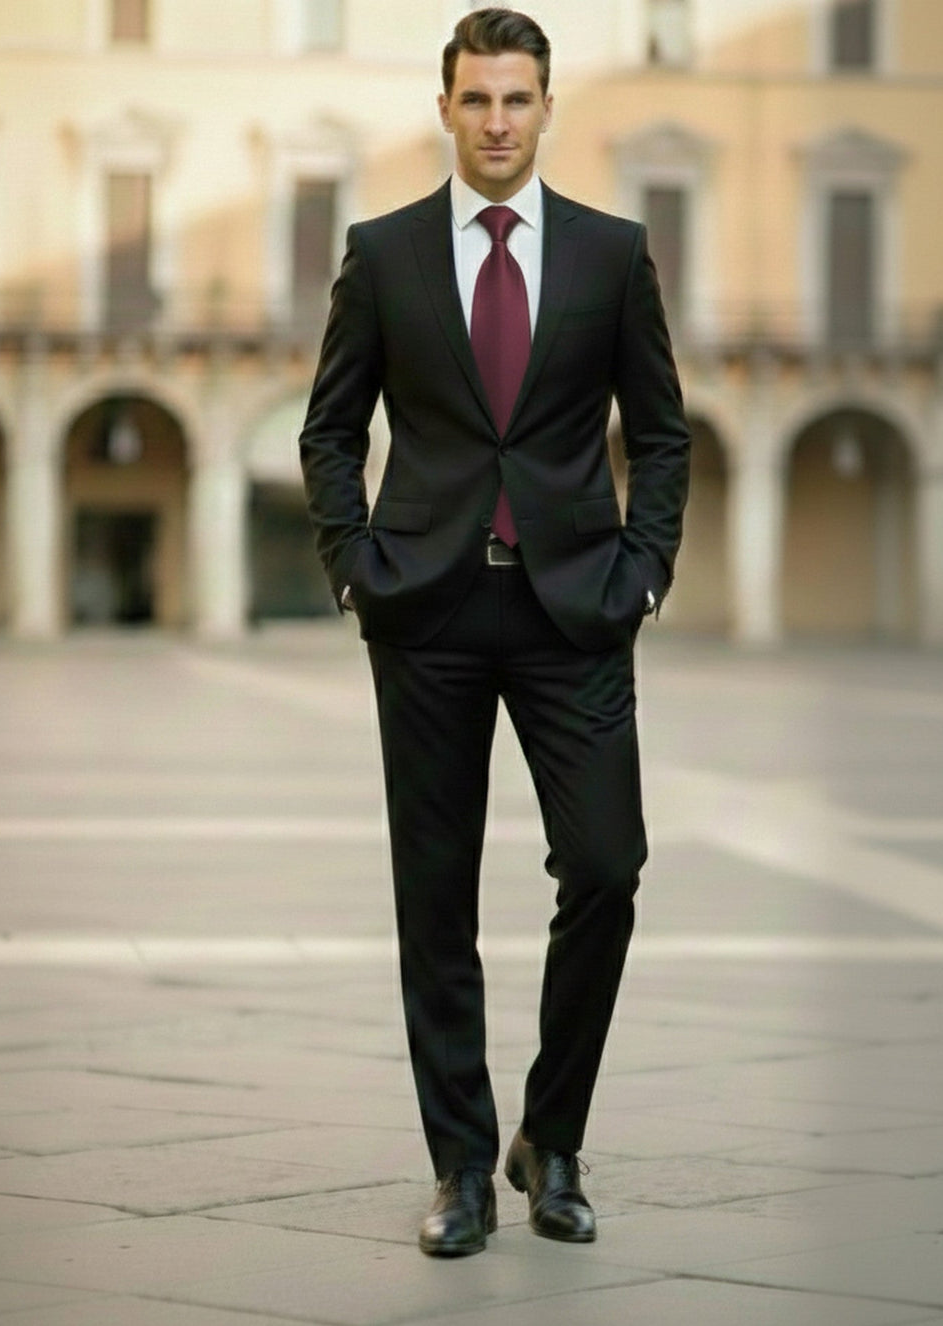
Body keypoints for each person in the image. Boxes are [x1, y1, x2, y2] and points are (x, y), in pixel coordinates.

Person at [299, 8, 690, 1257]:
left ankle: (552, 1135)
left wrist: (642, 571)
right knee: (434, 896)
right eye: (476, 100)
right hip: (427, 608)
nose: (497, 121)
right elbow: (327, 429)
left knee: (608, 866)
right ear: (445, 110)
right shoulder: (385, 252)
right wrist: (355, 566)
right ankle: (462, 1167)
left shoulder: (610, 254)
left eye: (517, 99)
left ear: (545, 107)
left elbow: (662, 434)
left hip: (575, 607)